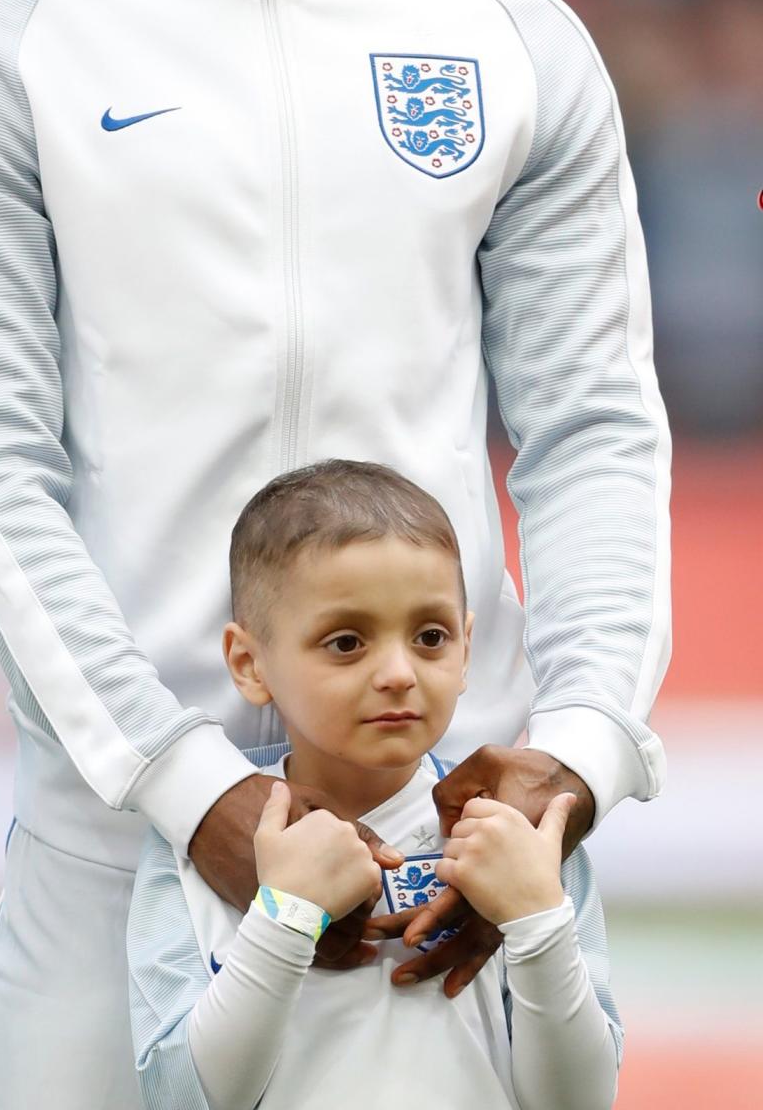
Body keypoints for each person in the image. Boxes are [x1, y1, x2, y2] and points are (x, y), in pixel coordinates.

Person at [0, 0, 670, 1105]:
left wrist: (574, 753)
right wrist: (195, 797)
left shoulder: (507, 34)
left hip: (451, 856)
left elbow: (596, 430)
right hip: (119, 843)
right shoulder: (4, 45)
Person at [128, 459, 622, 1110]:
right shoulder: (198, 844)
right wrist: (285, 916)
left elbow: (581, 1101)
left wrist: (537, 922)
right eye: (346, 642)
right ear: (250, 664)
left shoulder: (520, 832)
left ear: (466, 649)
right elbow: (178, 1097)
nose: (397, 672)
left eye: (430, 636)